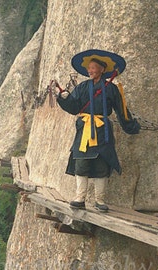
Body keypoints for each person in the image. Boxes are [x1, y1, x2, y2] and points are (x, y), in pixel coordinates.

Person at [56, 49, 140, 212]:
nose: (90, 70)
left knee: (102, 164)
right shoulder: (82, 87)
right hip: (84, 129)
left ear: (102, 69)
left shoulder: (111, 89)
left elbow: (121, 110)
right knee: (81, 162)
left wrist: (131, 125)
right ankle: (80, 198)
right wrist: (64, 98)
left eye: (93, 67)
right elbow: (74, 107)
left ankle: (99, 200)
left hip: (102, 130)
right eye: (89, 68)